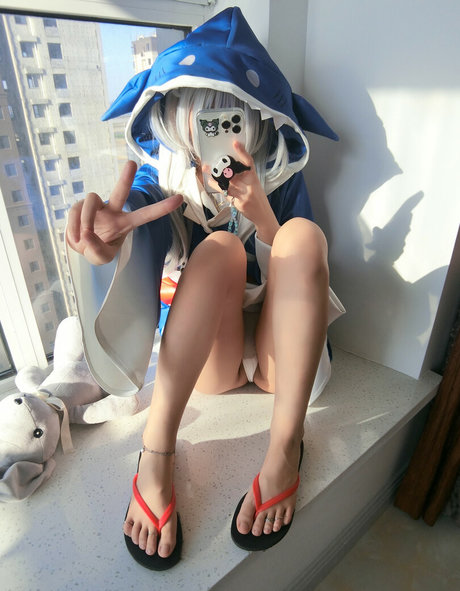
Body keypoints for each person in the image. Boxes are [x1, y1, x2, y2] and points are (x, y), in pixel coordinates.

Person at [65, 7, 344, 570]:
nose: (213, 145)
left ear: (256, 122)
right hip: (211, 361)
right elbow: (140, 211)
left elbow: (301, 270)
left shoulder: (280, 177)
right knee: (218, 249)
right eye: (199, 129)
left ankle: (285, 447)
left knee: (302, 237)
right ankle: (155, 453)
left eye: (227, 121)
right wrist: (112, 241)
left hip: (283, 364)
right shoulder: (166, 180)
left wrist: (265, 218)